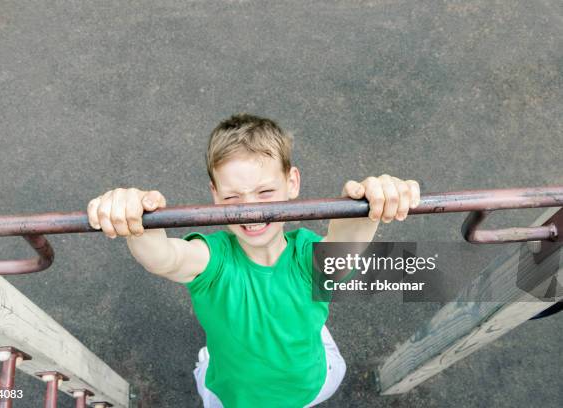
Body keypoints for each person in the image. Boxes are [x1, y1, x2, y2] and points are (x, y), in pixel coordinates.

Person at [86, 113, 420, 407]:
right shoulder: (214, 262)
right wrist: (133, 220)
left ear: (292, 183)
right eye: (232, 197)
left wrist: (375, 201)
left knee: (325, 283)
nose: (251, 209)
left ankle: (307, 331)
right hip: (231, 397)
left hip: (311, 386)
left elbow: (350, 237)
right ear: (216, 196)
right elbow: (164, 258)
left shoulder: (308, 257)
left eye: (265, 192)